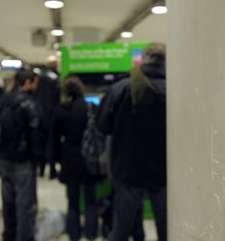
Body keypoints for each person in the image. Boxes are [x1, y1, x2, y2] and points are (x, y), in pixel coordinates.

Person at [97, 43, 167, 241]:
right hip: (165, 171)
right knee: (168, 229)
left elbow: (102, 125)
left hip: (128, 169)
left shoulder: (120, 88)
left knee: (120, 230)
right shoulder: (176, 89)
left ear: (144, 59)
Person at [0, 68, 45, 241]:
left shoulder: (1, 101)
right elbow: (37, 133)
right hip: (22, 160)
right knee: (25, 204)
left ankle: (9, 235)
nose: (36, 86)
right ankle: (24, 237)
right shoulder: (29, 103)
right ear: (27, 82)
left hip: (2, 158)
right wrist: (38, 159)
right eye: (35, 83)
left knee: (8, 201)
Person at [49, 76, 98, 241]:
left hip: (69, 158)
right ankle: (91, 233)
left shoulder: (61, 109)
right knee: (91, 200)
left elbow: (54, 138)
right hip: (88, 158)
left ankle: (74, 234)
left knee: (73, 201)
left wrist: (54, 161)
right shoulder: (89, 107)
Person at [34, 56, 60, 178]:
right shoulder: (56, 78)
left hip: (39, 115)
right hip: (52, 115)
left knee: (41, 143)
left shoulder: (39, 78)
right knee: (51, 143)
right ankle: (52, 170)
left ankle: (41, 169)